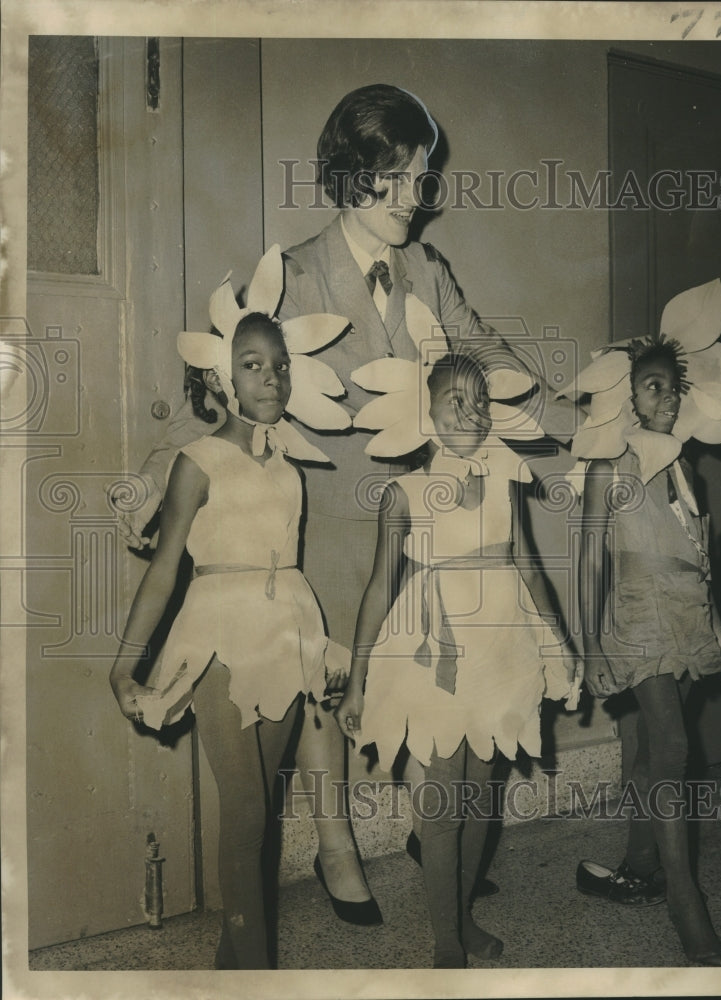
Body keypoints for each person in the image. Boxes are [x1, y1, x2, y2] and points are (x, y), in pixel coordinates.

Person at [113, 83, 579, 907]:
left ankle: (429, 826)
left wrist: (581, 419)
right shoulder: (291, 276)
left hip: (427, 519)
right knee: (322, 684)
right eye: (395, 176)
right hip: (324, 518)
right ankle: (334, 844)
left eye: (422, 174)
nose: (414, 195)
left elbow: (491, 360)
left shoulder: (428, 271)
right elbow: (220, 392)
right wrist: (153, 478)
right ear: (349, 173)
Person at [109, 250, 371, 968]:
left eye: (280, 365)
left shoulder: (286, 466)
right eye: (253, 365)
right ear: (221, 377)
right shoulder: (196, 462)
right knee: (247, 811)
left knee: (262, 814)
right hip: (219, 638)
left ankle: (234, 967)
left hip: (285, 632)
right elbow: (164, 574)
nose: (272, 378)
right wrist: (123, 667)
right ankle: (256, 977)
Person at [335, 316, 583, 968]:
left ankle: (463, 915)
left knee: (482, 798)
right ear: (426, 414)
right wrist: (358, 678)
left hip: (501, 652)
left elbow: (528, 568)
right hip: (436, 656)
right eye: (455, 401)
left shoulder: (506, 483)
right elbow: (377, 590)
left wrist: (557, 644)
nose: (471, 412)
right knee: (443, 804)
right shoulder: (404, 493)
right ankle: (446, 940)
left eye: (479, 401)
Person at [565, 279, 721, 966]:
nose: (665, 398)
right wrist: (590, 643)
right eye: (651, 387)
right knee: (672, 749)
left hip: (684, 617)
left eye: (671, 389)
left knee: (651, 752)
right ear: (625, 394)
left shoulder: (682, 468)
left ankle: (640, 862)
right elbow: (589, 559)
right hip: (635, 618)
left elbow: (698, 565)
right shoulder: (607, 463)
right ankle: (687, 906)